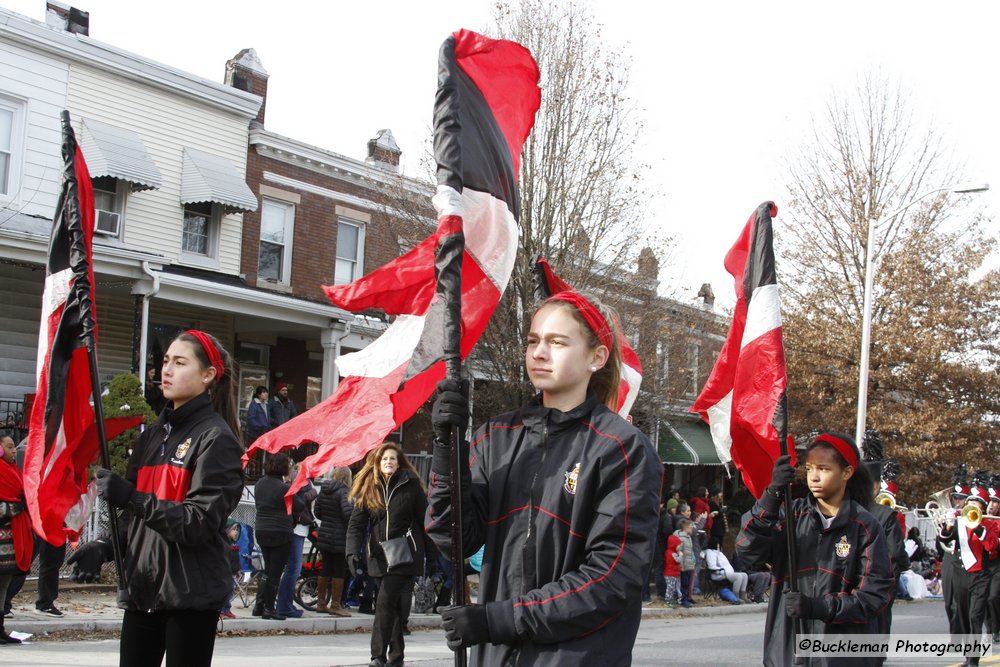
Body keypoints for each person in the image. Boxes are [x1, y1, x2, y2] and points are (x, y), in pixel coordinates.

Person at [426, 292, 662, 665]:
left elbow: (614, 577)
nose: (538, 352)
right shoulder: (495, 436)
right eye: (534, 341)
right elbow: (453, 538)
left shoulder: (621, 448)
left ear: (596, 358)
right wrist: (446, 449)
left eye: (557, 342)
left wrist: (501, 619)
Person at [95, 329, 244, 667]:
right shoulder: (152, 436)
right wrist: (106, 545)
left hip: (189, 596)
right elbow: (134, 518)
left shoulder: (216, 439)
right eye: (165, 362)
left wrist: (131, 497)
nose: (167, 370)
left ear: (208, 376)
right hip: (143, 590)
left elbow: (198, 523)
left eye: (179, 362)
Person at [736, 432, 892, 667]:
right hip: (787, 653)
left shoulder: (866, 527)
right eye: (809, 469)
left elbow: (873, 597)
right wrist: (772, 495)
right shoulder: (791, 515)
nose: (814, 477)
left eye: (824, 468)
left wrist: (817, 607)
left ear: (847, 472)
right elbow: (747, 549)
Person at [346, 442, 428, 667]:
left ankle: (377, 656)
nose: (388, 462)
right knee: (390, 605)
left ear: (399, 462)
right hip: (378, 556)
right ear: (377, 463)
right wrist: (352, 552)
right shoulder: (369, 488)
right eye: (384, 459)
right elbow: (356, 525)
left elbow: (425, 522)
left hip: (404, 554)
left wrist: (433, 558)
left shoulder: (411, 486)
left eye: (392, 458)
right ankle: (397, 657)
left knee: (383, 603)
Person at [938, 475, 998, 667]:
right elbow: (945, 542)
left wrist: (979, 527)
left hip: (980, 575)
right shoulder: (959, 521)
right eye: (970, 501)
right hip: (960, 573)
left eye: (977, 502)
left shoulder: (989, 523)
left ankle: (973, 659)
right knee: (962, 614)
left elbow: (991, 546)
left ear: (982, 506)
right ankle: (968, 654)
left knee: (975, 615)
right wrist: (946, 528)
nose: (972, 504)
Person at [253, 452, 304, 621]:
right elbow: (299, 505)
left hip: (261, 529)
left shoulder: (259, 483)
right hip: (280, 531)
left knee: (267, 569)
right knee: (275, 571)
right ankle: (269, 608)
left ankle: (259, 605)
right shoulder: (284, 487)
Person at [0, 434, 31, 645]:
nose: (13, 451)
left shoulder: (12, 471)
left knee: (3, 585)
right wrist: (12, 508)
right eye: (9, 447)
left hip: (11, 541)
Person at [276, 464, 317, 618]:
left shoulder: (304, 482)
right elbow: (300, 502)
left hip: (299, 528)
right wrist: (313, 492)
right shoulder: (300, 482)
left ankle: (285, 604)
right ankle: (284, 605)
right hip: (296, 529)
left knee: (292, 569)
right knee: (293, 569)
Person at [314, 466, 354, 616]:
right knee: (339, 570)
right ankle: (335, 605)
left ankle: (320, 603)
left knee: (325, 569)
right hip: (340, 537)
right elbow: (348, 514)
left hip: (324, 535)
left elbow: (317, 512)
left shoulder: (324, 490)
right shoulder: (344, 492)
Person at [704, 536, 748, 603]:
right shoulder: (710, 553)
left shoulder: (719, 553)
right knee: (738, 577)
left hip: (726, 573)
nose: (719, 546)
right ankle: (736, 596)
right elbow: (712, 566)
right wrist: (722, 571)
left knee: (744, 575)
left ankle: (743, 595)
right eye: (717, 544)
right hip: (718, 574)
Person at [663, 530, 683, 607]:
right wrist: (680, 555)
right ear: (674, 545)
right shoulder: (672, 553)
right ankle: (668, 601)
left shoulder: (670, 552)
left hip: (673, 573)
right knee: (670, 588)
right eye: (678, 546)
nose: (679, 547)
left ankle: (672, 600)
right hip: (670, 574)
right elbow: (678, 560)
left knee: (673, 588)